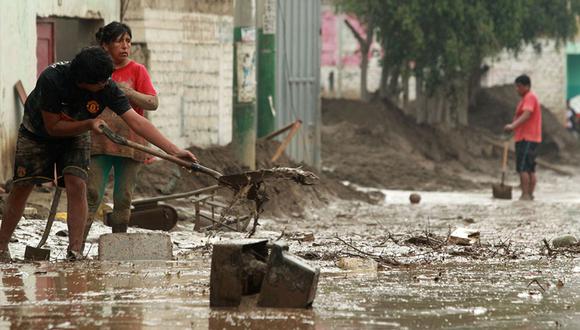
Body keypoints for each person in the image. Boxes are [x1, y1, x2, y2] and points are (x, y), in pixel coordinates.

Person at [0, 46, 197, 261]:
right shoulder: (53, 79)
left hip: (78, 132)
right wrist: (90, 123)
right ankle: (1, 247)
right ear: (82, 81)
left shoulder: (107, 87)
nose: (106, 84)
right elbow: (52, 127)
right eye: (101, 82)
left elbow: (137, 122)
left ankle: (75, 251)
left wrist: (175, 151)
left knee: (77, 183)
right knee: (23, 186)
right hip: (37, 133)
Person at [85, 22, 158, 236]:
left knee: (124, 196)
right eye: (119, 41)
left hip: (130, 144)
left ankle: (118, 239)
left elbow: (153, 103)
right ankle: (77, 243)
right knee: (91, 193)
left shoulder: (137, 70)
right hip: (99, 143)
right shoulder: (96, 70)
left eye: (128, 41)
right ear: (105, 45)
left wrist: (129, 93)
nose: (125, 46)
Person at [503, 74, 542, 201]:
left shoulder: (529, 97)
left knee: (524, 167)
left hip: (527, 138)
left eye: (519, 86)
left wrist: (512, 126)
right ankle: (529, 195)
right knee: (529, 168)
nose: (517, 89)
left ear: (526, 86)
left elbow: (527, 114)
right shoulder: (526, 98)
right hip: (527, 137)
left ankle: (525, 195)